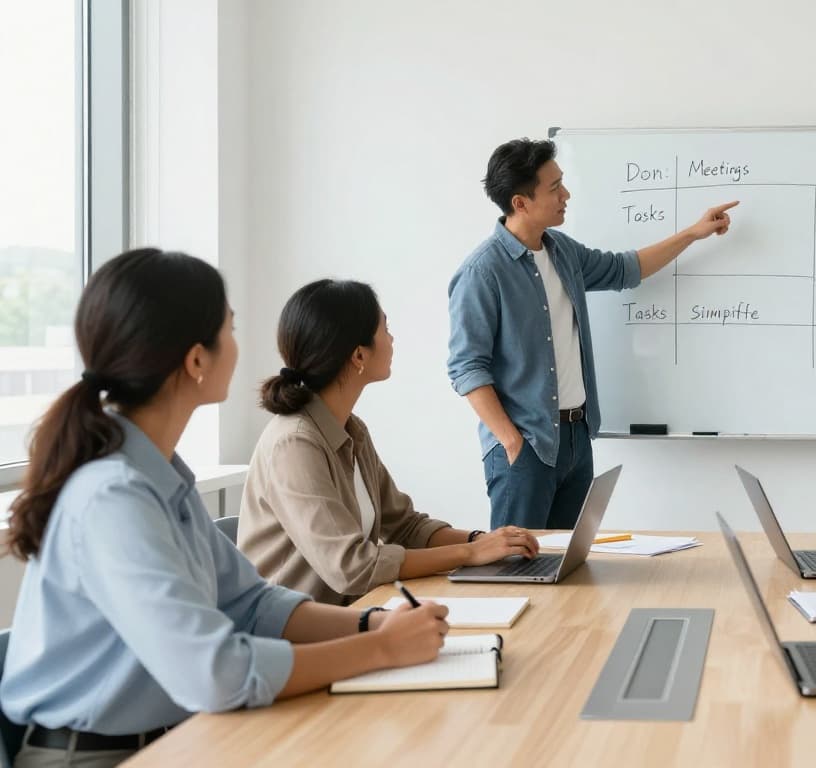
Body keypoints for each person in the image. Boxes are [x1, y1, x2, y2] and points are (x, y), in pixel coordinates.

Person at [1, 249, 450, 768]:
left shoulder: (162, 477)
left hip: (175, 738)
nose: (238, 345)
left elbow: (253, 605)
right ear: (196, 360)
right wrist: (380, 650)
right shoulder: (113, 497)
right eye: (230, 329)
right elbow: (215, 672)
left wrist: (373, 624)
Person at [448, 137, 737, 529]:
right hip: (527, 447)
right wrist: (512, 441)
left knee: (568, 569)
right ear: (521, 202)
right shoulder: (483, 272)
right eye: (554, 189)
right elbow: (467, 368)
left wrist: (692, 233)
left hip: (576, 441)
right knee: (517, 569)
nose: (565, 195)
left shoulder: (561, 251)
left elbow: (625, 269)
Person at [239, 279, 538, 606]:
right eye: (385, 329)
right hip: (294, 637)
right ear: (358, 355)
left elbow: (406, 527)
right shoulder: (294, 444)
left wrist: (488, 542)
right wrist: (469, 553)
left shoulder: (352, 430)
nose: (392, 339)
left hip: (353, 614)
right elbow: (351, 566)